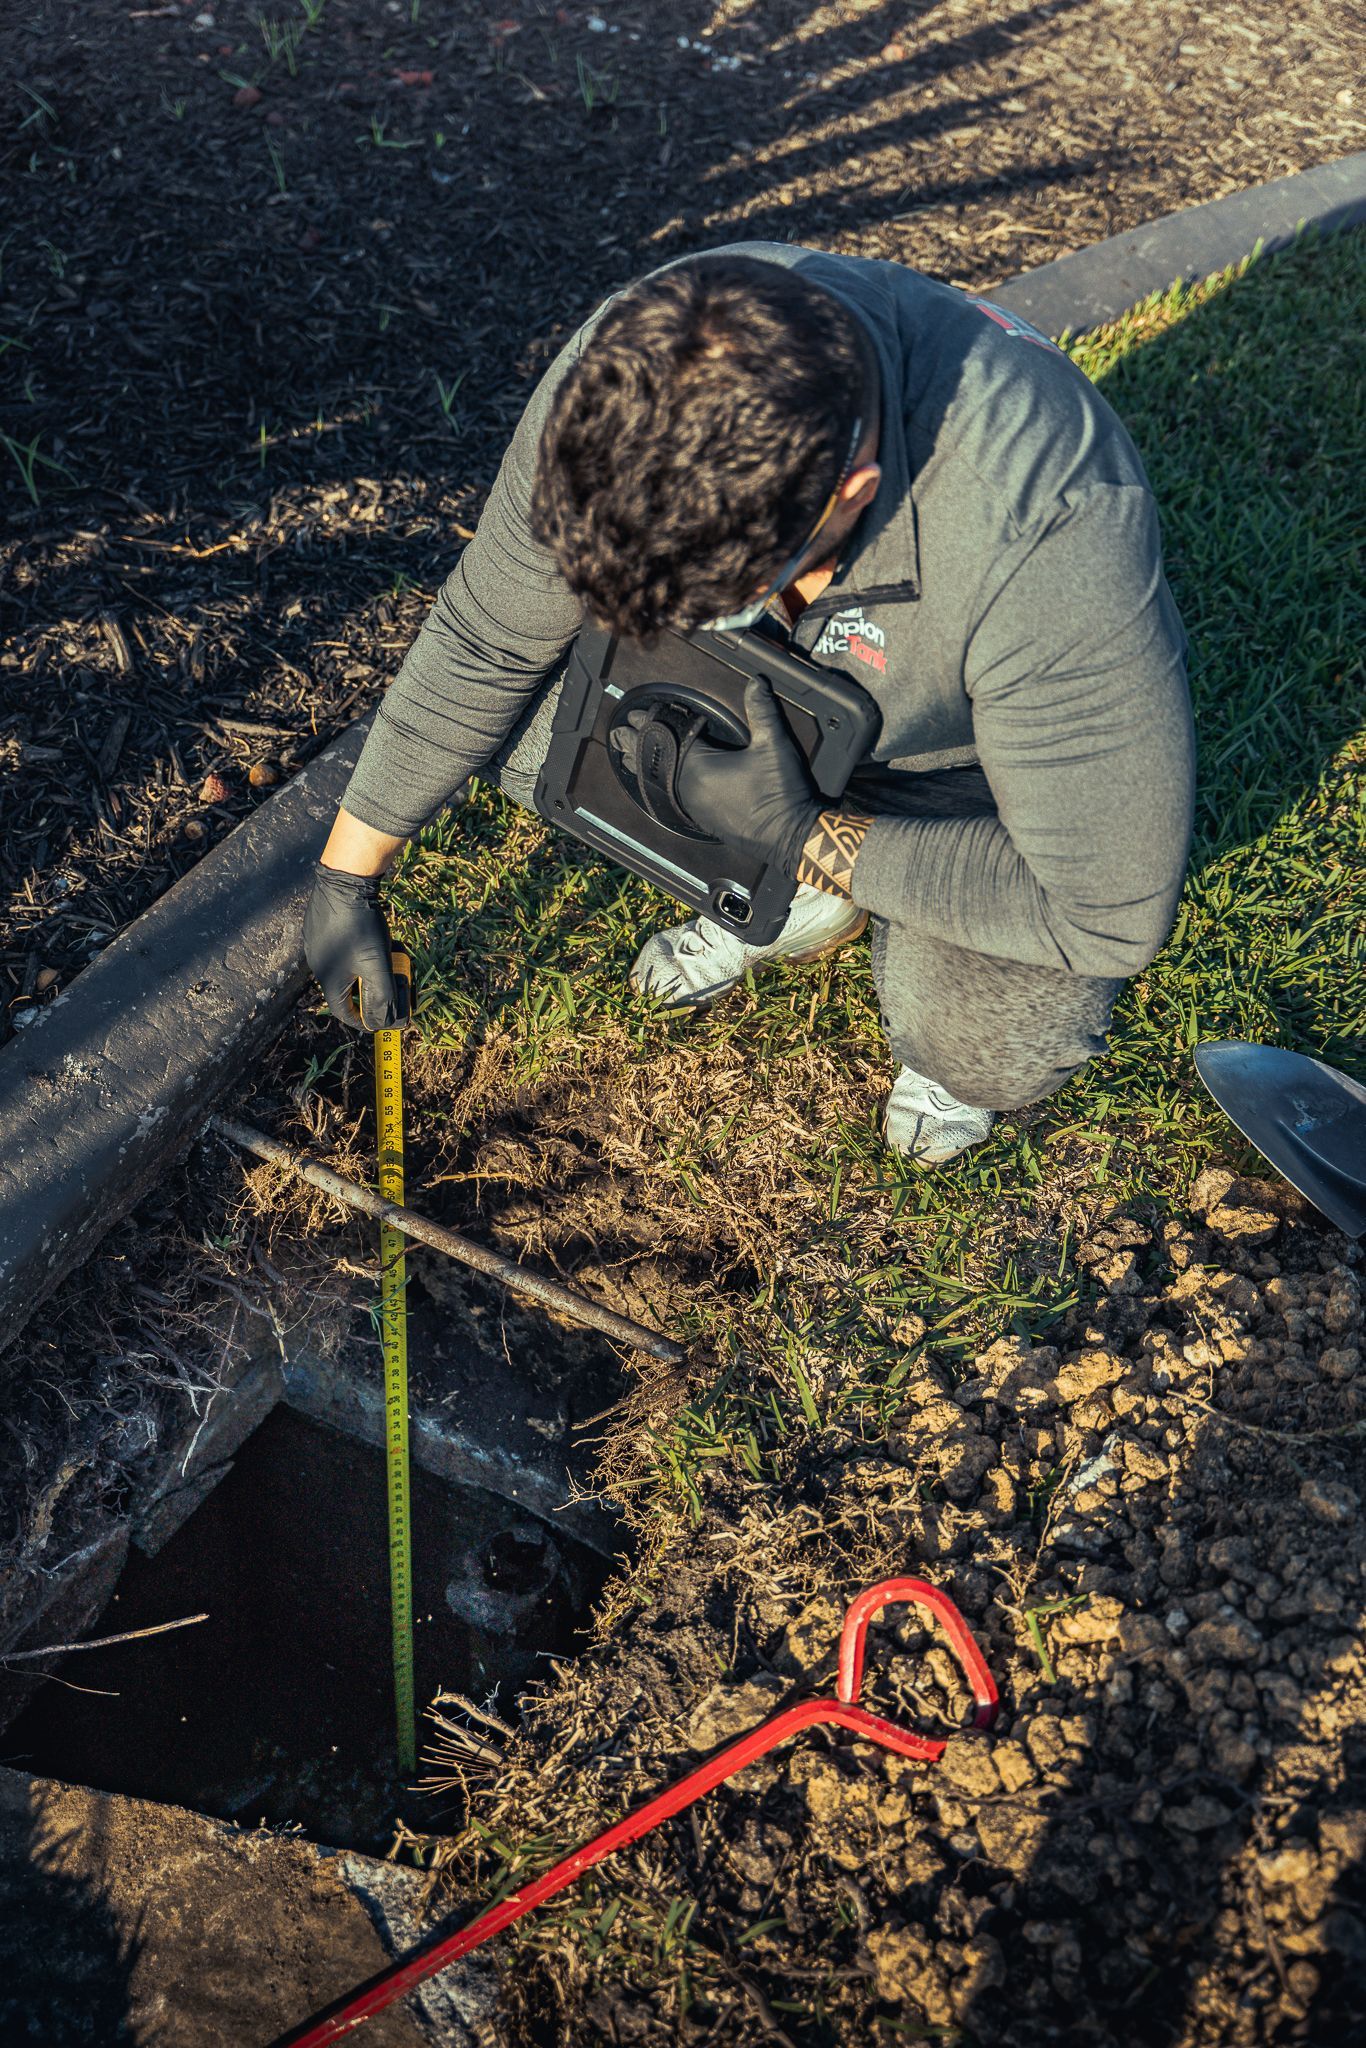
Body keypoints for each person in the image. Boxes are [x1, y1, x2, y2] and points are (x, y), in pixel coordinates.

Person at [304, 245, 1194, 1165]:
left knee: (984, 1040)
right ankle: (799, 888)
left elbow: (1105, 910)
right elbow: (489, 636)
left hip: (955, 776)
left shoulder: (1046, 529)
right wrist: (347, 873)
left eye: (703, 606)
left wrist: (805, 836)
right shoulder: (630, 374)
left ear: (850, 498)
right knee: (534, 743)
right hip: (749, 734)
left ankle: (856, 919)